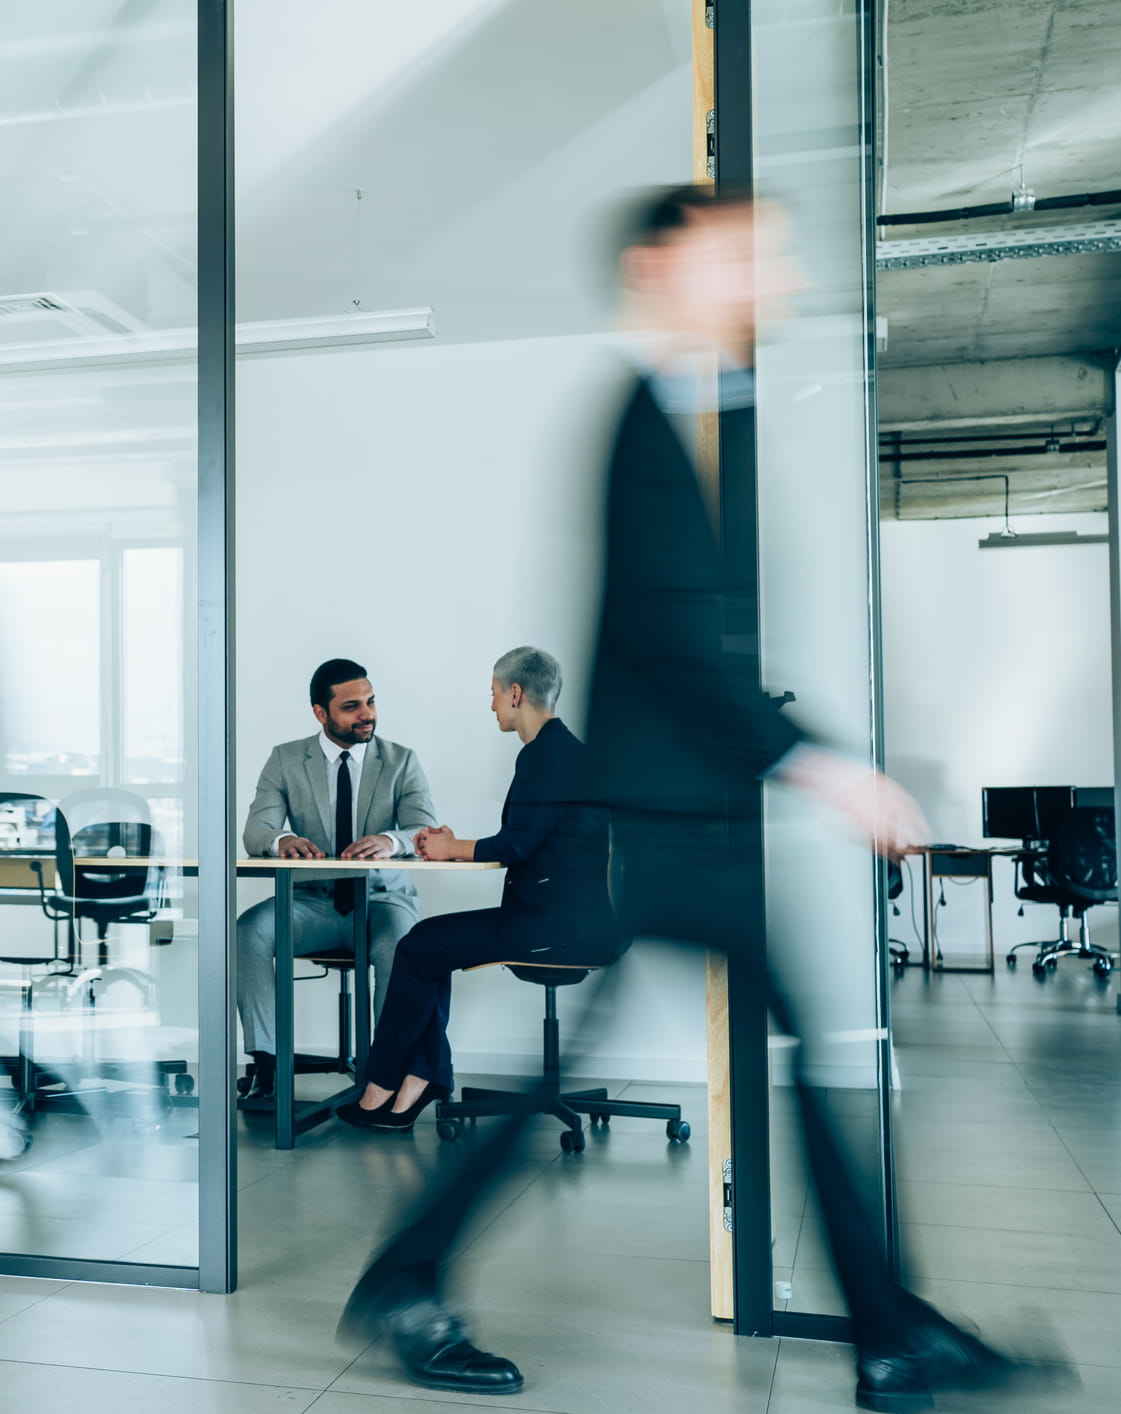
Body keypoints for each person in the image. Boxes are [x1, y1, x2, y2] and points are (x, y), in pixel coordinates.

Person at [340, 184, 1051, 1413]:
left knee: (791, 1053)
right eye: (745, 258)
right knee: (699, 1057)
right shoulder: (644, 423)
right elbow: (676, 642)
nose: (776, 277)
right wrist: (827, 765)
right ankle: (412, 1278)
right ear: (662, 271)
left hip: (687, 814)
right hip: (663, 824)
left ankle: (890, 1330)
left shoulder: (709, 409)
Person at [338, 647, 613, 1133]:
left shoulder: (545, 756)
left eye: (494, 694)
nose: (491, 705)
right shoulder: (566, 751)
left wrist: (452, 848)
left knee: (418, 947)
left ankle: (386, 1083)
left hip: (551, 927)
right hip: (574, 920)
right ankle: (420, 1079)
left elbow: (516, 845)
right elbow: (532, 839)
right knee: (428, 947)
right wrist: (453, 845)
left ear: (515, 693)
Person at [237, 659, 438, 1097]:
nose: (367, 714)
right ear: (320, 713)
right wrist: (282, 840)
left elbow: (424, 829)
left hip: (383, 901)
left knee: (402, 947)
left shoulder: (401, 761)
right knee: (248, 930)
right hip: (314, 902)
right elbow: (256, 830)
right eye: (351, 706)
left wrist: (390, 840)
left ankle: (388, 1070)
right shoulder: (286, 759)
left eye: (370, 702)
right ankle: (268, 1062)